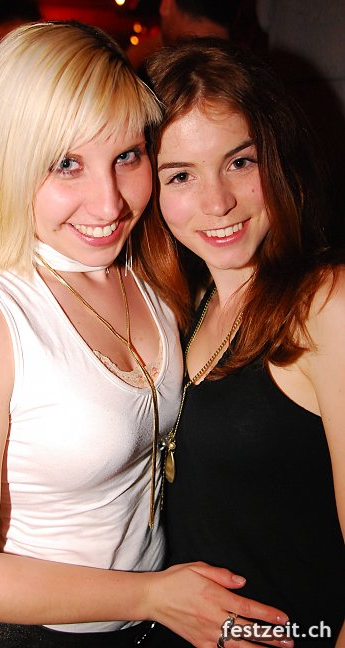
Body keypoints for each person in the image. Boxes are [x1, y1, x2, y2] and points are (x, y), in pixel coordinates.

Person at [0, 22, 289, 648]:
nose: (109, 204)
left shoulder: (139, 268)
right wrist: (153, 596)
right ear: (7, 162)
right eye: (67, 164)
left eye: (126, 157)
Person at [137, 37, 345, 646]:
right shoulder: (189, 305)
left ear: (277, 157)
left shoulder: (324, 304)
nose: (217, 202)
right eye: (181, 175)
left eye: (240, 162)